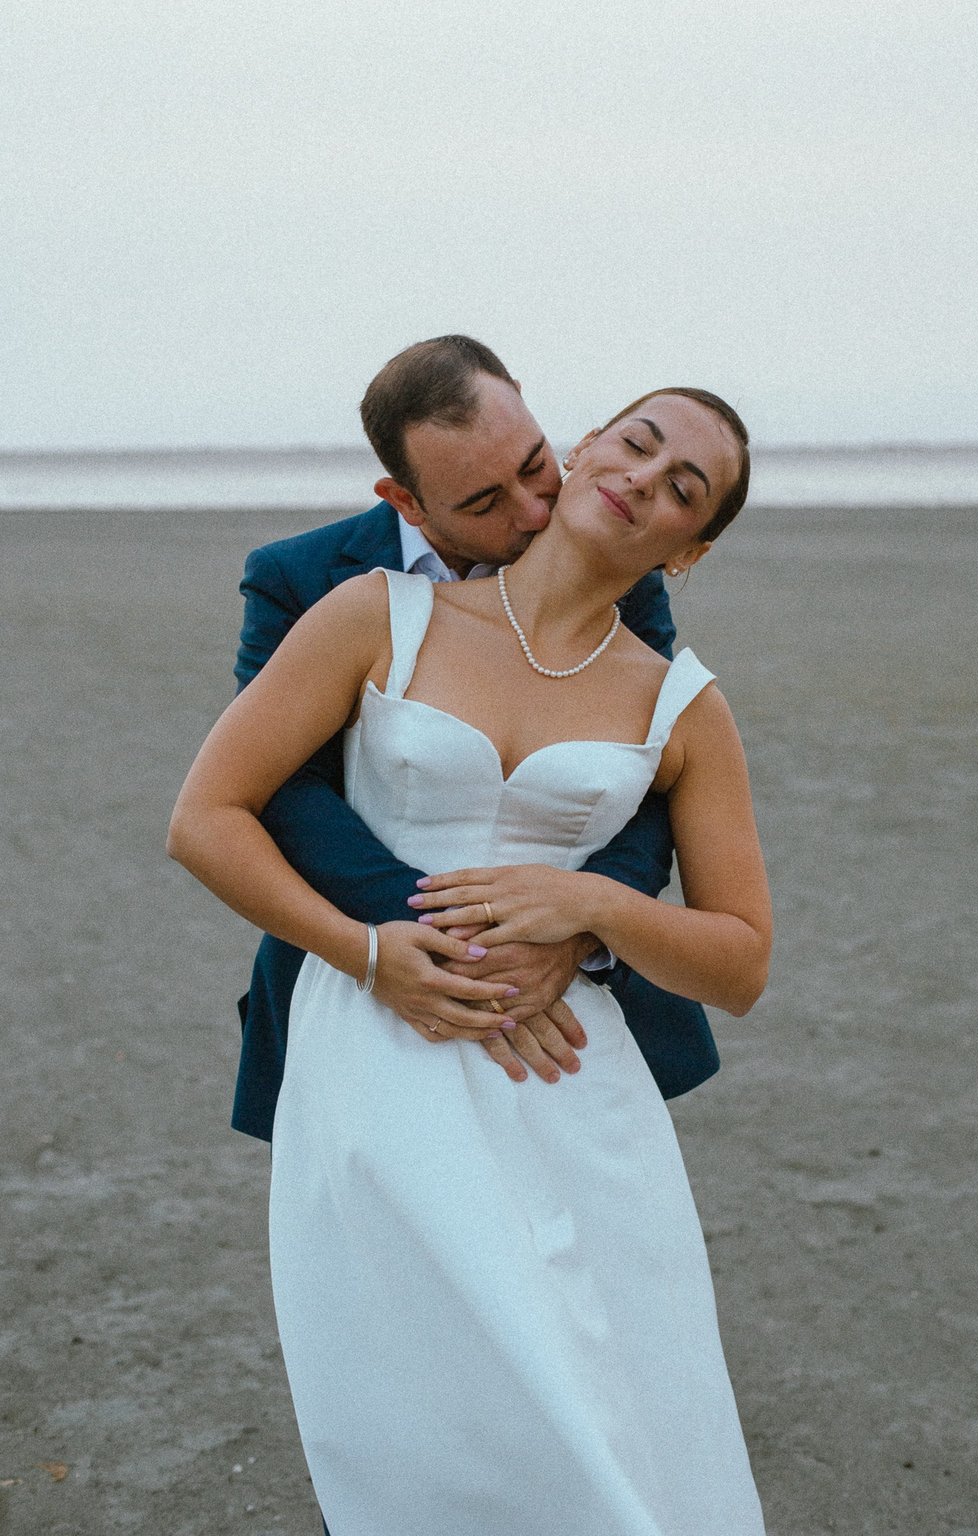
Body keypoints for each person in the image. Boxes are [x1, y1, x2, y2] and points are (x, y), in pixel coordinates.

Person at [168, 379, 772, 1533]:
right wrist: (367, 951)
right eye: (637, 443)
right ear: (586, 440)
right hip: (377, 1051)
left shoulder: (683, 705)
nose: (644, 478)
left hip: (571, 1085)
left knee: (620, 1413)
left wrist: (591, 905)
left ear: (685, 553)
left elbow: (740, 962)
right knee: (426, 1426)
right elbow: (206, 818)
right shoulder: (367, 614)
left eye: (681, 488)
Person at [231, 336, 721, 1145]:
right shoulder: (303, 579)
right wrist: (455, 951)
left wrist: (579, 933)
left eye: (535, 466)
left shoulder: (617, 568)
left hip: (564, 1004)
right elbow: (284, 792)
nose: (534, 515)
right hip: (372, 969)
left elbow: (647, 780)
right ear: (406, 500)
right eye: (484, 503)